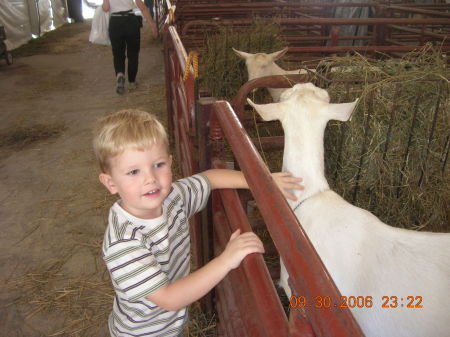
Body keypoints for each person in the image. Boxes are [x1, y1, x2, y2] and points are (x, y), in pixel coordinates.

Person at [92, 109, 304, 337]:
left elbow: (210, 178)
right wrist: (226, 260)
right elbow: (169, 298)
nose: (150, 178)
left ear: (170, 162)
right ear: (110, 183)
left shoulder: (173, 198)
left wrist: (262, 181)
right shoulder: (124, 243)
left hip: (171, 325)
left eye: (158, 165)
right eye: (133, 172)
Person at [102, 0, 157, 95]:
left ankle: (120, 74)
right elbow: (142, 7)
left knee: (118, 53)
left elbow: (106, 8)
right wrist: (152, 24)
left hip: (115, 22)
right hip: (130, 21)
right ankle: (132, 80)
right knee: (133, 53)